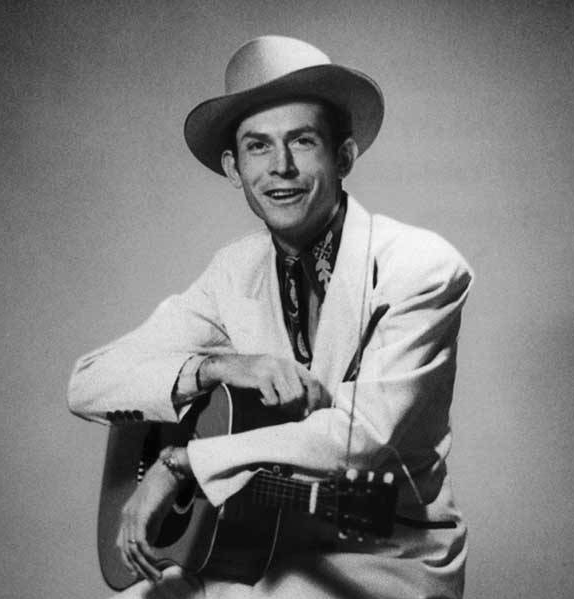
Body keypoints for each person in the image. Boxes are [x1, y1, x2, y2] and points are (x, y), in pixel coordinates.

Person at [68, 35, 473, 599]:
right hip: (250, 538)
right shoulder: (234, 270)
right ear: (234, 169)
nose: (280, 168)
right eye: (257, 147)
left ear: (343, 157)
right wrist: (216, 368)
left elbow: (359, 438)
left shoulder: (422, 266)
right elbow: (88, 382)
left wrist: (182, 463)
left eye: (302, 141)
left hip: (378, 553)